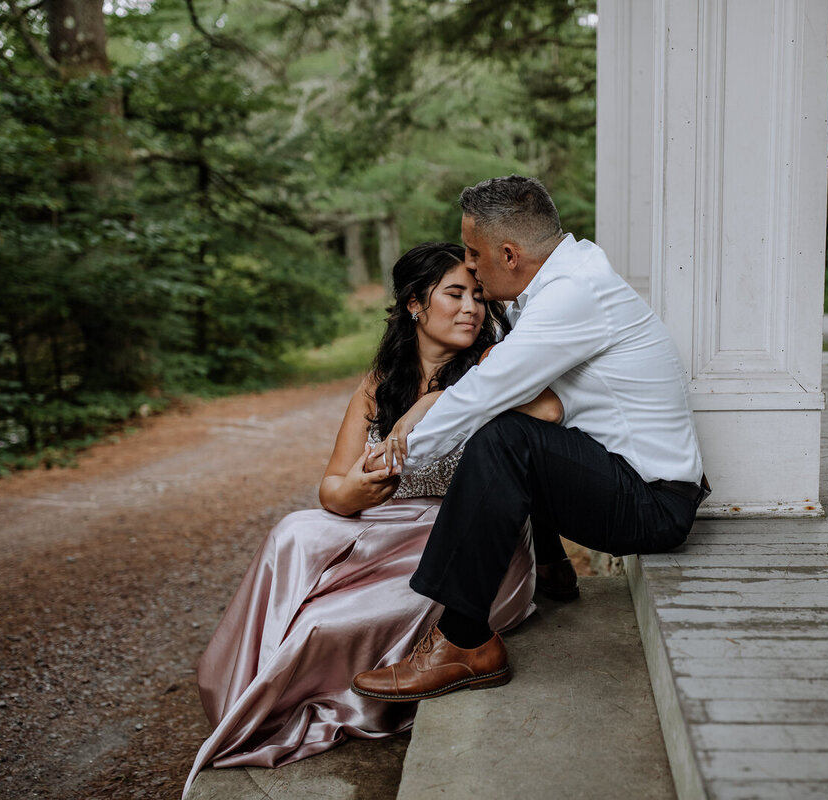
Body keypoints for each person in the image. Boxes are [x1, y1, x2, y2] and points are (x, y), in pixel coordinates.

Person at [182, 242, 561, 796]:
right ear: (414, 304)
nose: (471, 309)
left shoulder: (490, 362)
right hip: (388, 527)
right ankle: (245, 691)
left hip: (469, 543)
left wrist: (437, 402)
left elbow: (549, 410)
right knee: (294, 530)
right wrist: (359, 487)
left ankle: (284, 692)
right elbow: (332, 490)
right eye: (454, 293)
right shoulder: (380, 383)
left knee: (323, 626)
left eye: (478, 296)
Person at [351, 175, 707, 704]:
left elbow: (484, 395)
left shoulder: (573, 295)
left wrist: (396, 458)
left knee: (502, 439)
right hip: (625, 478)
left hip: (653, 503)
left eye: (473, 254)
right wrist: (428, 403)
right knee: (520, 430)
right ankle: (552, 568)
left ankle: (463, 641)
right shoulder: (562, 281)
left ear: (510, 254)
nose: (469, 266)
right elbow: (529, 397)